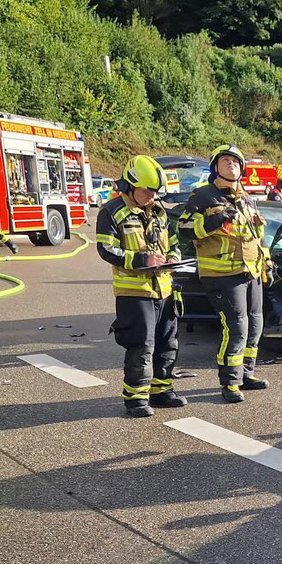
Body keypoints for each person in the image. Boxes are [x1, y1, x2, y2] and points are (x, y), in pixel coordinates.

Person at [95, 155, 186, 418]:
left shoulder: (159, 212)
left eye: (155, 191)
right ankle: (135, 398)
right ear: (131, 185)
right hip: (134, 292)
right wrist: (140, 259)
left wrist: (173, 259)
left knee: (167, 343)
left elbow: (174, 244)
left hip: (165, 289)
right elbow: (106, 249)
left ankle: (162, 391)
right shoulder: (111, 212)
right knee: (141, 345)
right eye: (148, 191)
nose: (152, 196)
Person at [182, 144, 270, 403]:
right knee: (236, 327)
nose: (231, 163)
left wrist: (267, 263)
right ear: (215, 167)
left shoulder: (248, 198)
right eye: (225, 160)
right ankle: (229, 382)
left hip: (251, 271)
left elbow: (257, 236)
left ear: (242, 168)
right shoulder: (203, 196)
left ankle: (246, 375)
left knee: (256, 325)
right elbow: (185, 229)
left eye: (235, 160)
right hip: (222, 274)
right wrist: (216, 220)